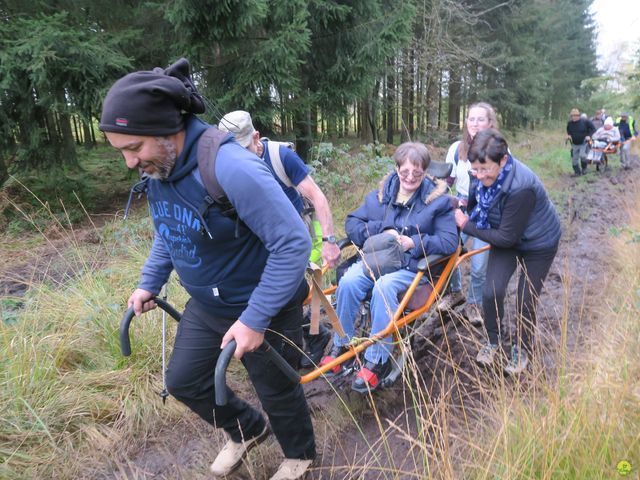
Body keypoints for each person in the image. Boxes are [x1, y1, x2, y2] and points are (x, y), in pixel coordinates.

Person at [99, 59, 315, 480]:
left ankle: (299, 455)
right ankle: (247, 430)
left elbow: (294, 243)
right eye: (122, 151)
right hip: (209, 302)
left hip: (263, 303)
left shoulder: (231, 167)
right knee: (183, 380)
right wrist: (149, 282)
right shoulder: (163, 168)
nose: (129, 162)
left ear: (165, 131)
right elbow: (171, 229)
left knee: (276, 388)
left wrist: (254, 319)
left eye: (133, 148)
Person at [320, 142, 458, 392]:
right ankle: (344, 344)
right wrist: (382, 231)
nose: (410, 178)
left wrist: (413, 242)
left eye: (417, 174)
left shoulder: (438, 202)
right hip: (379, 261)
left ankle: (377, 360)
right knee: (349, 281)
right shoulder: (382, 195)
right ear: (396, 168)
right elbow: (353, 222)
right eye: (404, 172)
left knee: (384, 287)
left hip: (413, 268)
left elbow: (449, 241)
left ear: (425, 172)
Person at [218, 110, 339, 368]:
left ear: (256, 137)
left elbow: (317, 197)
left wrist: (329, 241)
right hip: (257, 239)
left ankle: (313, 337)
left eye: (243, 148)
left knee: (296, 288)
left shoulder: (280, 156)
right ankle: (281, 341)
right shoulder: (224, 164)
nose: (237, 156)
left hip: (293, 235)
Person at [454, 129, 561, 375]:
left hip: (539, 243)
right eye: (475, 170)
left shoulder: (520, 186)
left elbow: (504, 237)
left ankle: (522, 349)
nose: (479, 175)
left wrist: (466, 225)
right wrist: (464, 208)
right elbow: (476, 200)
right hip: (508, 237)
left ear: (503, 160)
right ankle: (493, 340)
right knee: (492, 291)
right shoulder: (479, 172)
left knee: (526, 299)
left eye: (485, 169)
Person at [438, 102, 496, 326]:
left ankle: (473, 303)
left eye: (480, 119)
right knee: (448, 251)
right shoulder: (456, 149)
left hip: (486, 213)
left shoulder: (499, 148)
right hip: (459, 208)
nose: (475, 123)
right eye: (471, 119)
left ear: (490, 123)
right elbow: (446, 180)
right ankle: (455, 292)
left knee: (479, 264)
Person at [566, 108, 595, 176]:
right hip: (575, 144)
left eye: (576, 115)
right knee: (574, 160)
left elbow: (593, 129)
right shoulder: (570, 123)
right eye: (573, 116)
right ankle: (577, 172)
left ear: (579, 115)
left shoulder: (585, 121)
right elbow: (569, 131)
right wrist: (569, 136)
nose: (574, 117)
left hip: (584, 143)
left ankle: (584, 169)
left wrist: (589, 136)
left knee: (582, 156)